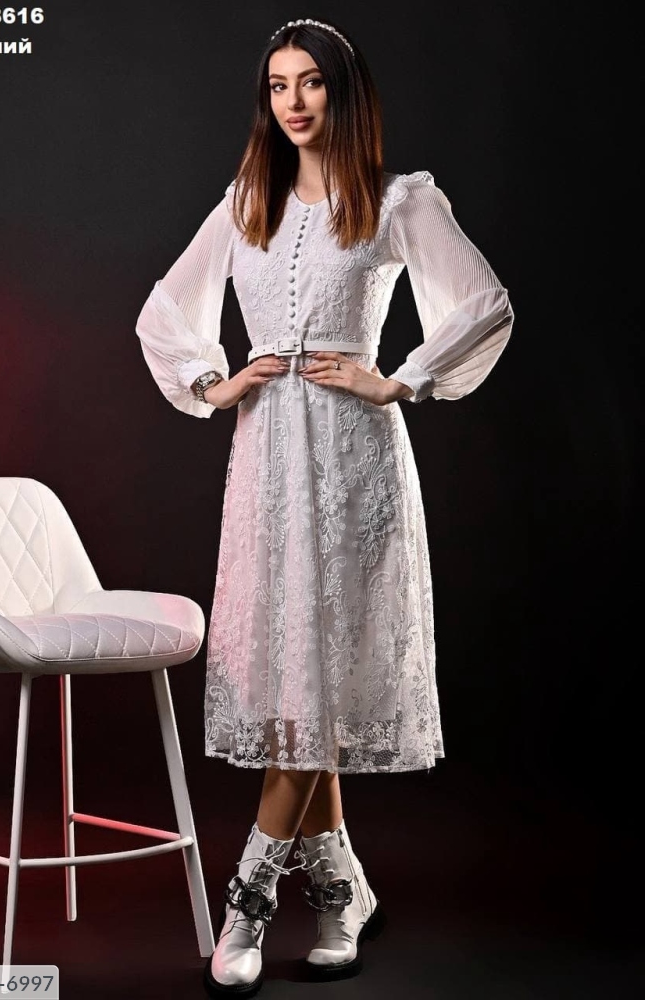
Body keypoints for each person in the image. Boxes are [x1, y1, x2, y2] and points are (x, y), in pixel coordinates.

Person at [135, 16, 513, 999]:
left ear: (344, 94)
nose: (293, 102)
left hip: (353, 464)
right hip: (266, 460)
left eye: (310, 82)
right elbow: (163, 312)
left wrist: (400, 379)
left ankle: (250, 898)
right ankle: (342, 892)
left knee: (318, 679)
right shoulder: (245, 203)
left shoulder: (396, 199)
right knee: (296, 682)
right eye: (277, 85)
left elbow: (483, 303)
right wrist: (215, 381)